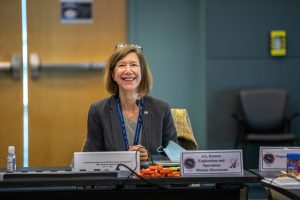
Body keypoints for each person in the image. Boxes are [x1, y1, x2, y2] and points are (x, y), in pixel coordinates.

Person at [84, 43, 178, 161]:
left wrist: (150, 157)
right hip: (115, 178)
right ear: (113, 74)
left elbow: (175, 157)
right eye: (122, 65)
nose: (128, 71)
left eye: (133, 65)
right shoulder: (98, 110)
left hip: (151, 178)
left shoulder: (161, 109)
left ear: (142, 73)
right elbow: (92, 158)